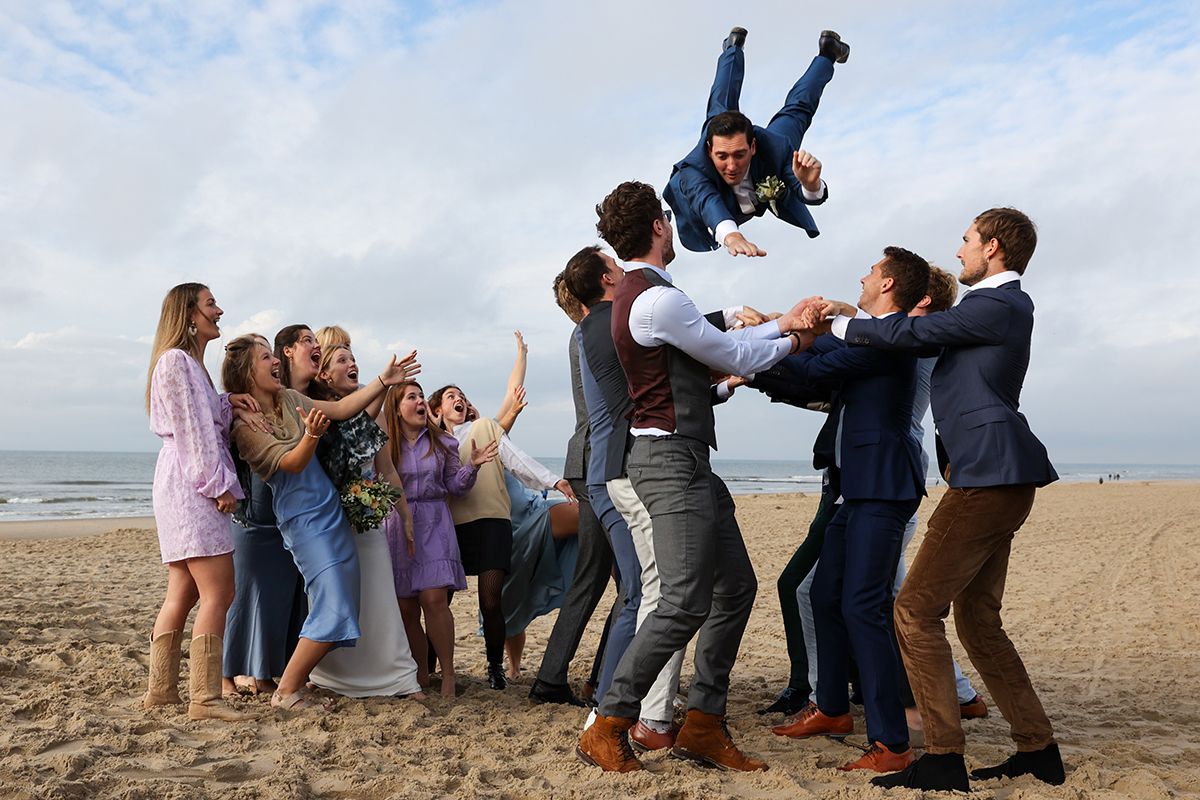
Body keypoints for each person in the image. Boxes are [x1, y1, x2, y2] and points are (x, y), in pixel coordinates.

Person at [814, 208, 1062, 791]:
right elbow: (920, 335)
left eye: (967, 241)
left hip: (988, 477)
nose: (959, 252)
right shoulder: (987, 311)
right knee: (978, 620)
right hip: (994, 473)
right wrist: (858, 315)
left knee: (913, 610)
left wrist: (840, 326)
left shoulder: (999, 303)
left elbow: (916, 333)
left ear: (994, 247)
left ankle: (944, 757)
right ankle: (1038, 748)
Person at [576, 180, 814, 773]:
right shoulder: (656, 299)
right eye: (668, 218)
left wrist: (782, 325)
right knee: (682, 602)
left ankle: (704, 724)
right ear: (660, 226)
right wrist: (794, 338)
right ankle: (608, 723)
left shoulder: (652, 296)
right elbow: (730, 358)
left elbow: (720, 345)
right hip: (667, 461)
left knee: (735, 589)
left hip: (687, 460)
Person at [767, 248, 931, 776]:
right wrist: (759, 353)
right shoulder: (870, 333)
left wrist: (768, 343)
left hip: (883, 488)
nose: (862, 276)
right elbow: (815, 370)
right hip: (854, 488)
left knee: (864, 605)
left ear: (888, 286)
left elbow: (817, 370)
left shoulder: (889, 338)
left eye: (871, 271)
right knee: (819, 591)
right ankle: (833, 709)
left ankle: (891, 743)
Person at [223, 334, 414, 710]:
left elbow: (342, 410)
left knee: (343, 601)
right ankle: (287, 689)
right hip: (302, 519)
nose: (275, 361)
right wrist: (310, 434)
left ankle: (290, 685)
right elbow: (291, 464)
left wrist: (383, 381)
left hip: (331, 511)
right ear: (248, 371)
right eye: (266, 357)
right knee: (334, 602)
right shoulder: (244, 429)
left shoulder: (290, 400)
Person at [143, 282, 254, 722]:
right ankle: (205, 699)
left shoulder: (189, 366)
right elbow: (194, 434)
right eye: (211, 304)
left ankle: (162, 692)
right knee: (219, 590)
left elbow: (203, 416)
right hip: (192, 484)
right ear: (189, 313)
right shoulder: (176, 363)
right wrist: (218, 483)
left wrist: (228, 401)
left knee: (184, 590)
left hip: (180, 481)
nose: (220, 309)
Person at [429, 383, 576, 690]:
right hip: (451, 530)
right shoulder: (433, 441)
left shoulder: (484, 428)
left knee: (491, 601)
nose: (459, 399)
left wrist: (554, 480)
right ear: (437, 410)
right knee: (439, 602)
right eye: (450, 396)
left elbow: (516, 460)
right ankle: (429, 665)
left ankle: (495, 668)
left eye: (462, 396)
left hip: (493, 524)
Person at [304, 342, 424, 699]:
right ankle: (330, 674)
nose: (352, 364)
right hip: (330, 518)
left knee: (379, 595)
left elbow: (386, 469)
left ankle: (399, 676)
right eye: (342, 361)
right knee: (338, 595)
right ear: (325, 374)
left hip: (368, 518)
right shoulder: (322, 411)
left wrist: (404, 516)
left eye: (353, 359)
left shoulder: (376, 411)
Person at [664, 27, 848, 257]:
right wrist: (731, 235)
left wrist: (811, 186)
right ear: (710, 151)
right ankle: (732, 49)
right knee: (721, 102)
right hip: (703, 202)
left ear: (752, 147)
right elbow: (707, 201)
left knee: (798, 111)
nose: (731, 166)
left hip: (769, 146)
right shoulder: (693, 171)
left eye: (739, 155)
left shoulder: (776, 148)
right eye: (722, 157)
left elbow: (802, 187)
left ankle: (828, 54)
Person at [529, 275, 623, 708]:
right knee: (613, 578)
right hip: (597, 460)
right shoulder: (590, 332)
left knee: (607, 577)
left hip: (587, 461)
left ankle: (580, 677)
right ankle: (585, 678)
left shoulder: (581, 334)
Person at [383, 381, 496, 698]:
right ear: (396, 408)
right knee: (406, 609)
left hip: (434, 524)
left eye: (421, 396)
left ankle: (447, 675)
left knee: (434, 600)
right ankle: (421, 672)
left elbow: (456, 487)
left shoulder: (443, 442)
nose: (420, 401)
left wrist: (472, 465)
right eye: (412, 397)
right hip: (397, 529)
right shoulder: (385, 445)